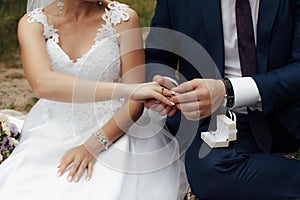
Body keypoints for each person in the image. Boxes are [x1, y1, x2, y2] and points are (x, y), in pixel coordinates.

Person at [0, 0, 188, 199]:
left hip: (114, 128)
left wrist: (93, 146)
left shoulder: (123, 19)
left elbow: (134, 102)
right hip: (52, 128)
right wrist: (127, 89)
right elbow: (42, 84)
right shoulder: (33, 24)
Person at [145, 0, 300, 199]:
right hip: (215, 120)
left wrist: (228, 90)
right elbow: (157, 57)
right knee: (209, 172)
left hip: (288, 106)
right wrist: (165, 86)